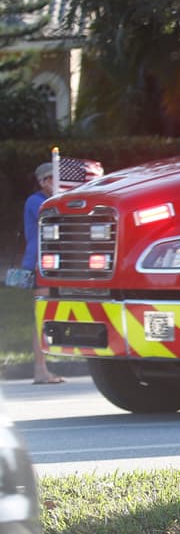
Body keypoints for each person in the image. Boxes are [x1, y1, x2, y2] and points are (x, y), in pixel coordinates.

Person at [24, 162, 64, 384]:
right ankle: (40, 369)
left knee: (47, 315)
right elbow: (54, 215)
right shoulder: (36, 202)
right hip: (40, 264)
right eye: (53, 179)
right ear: (44, 181)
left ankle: (43, 368)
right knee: (41, 316)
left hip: (53, 264)